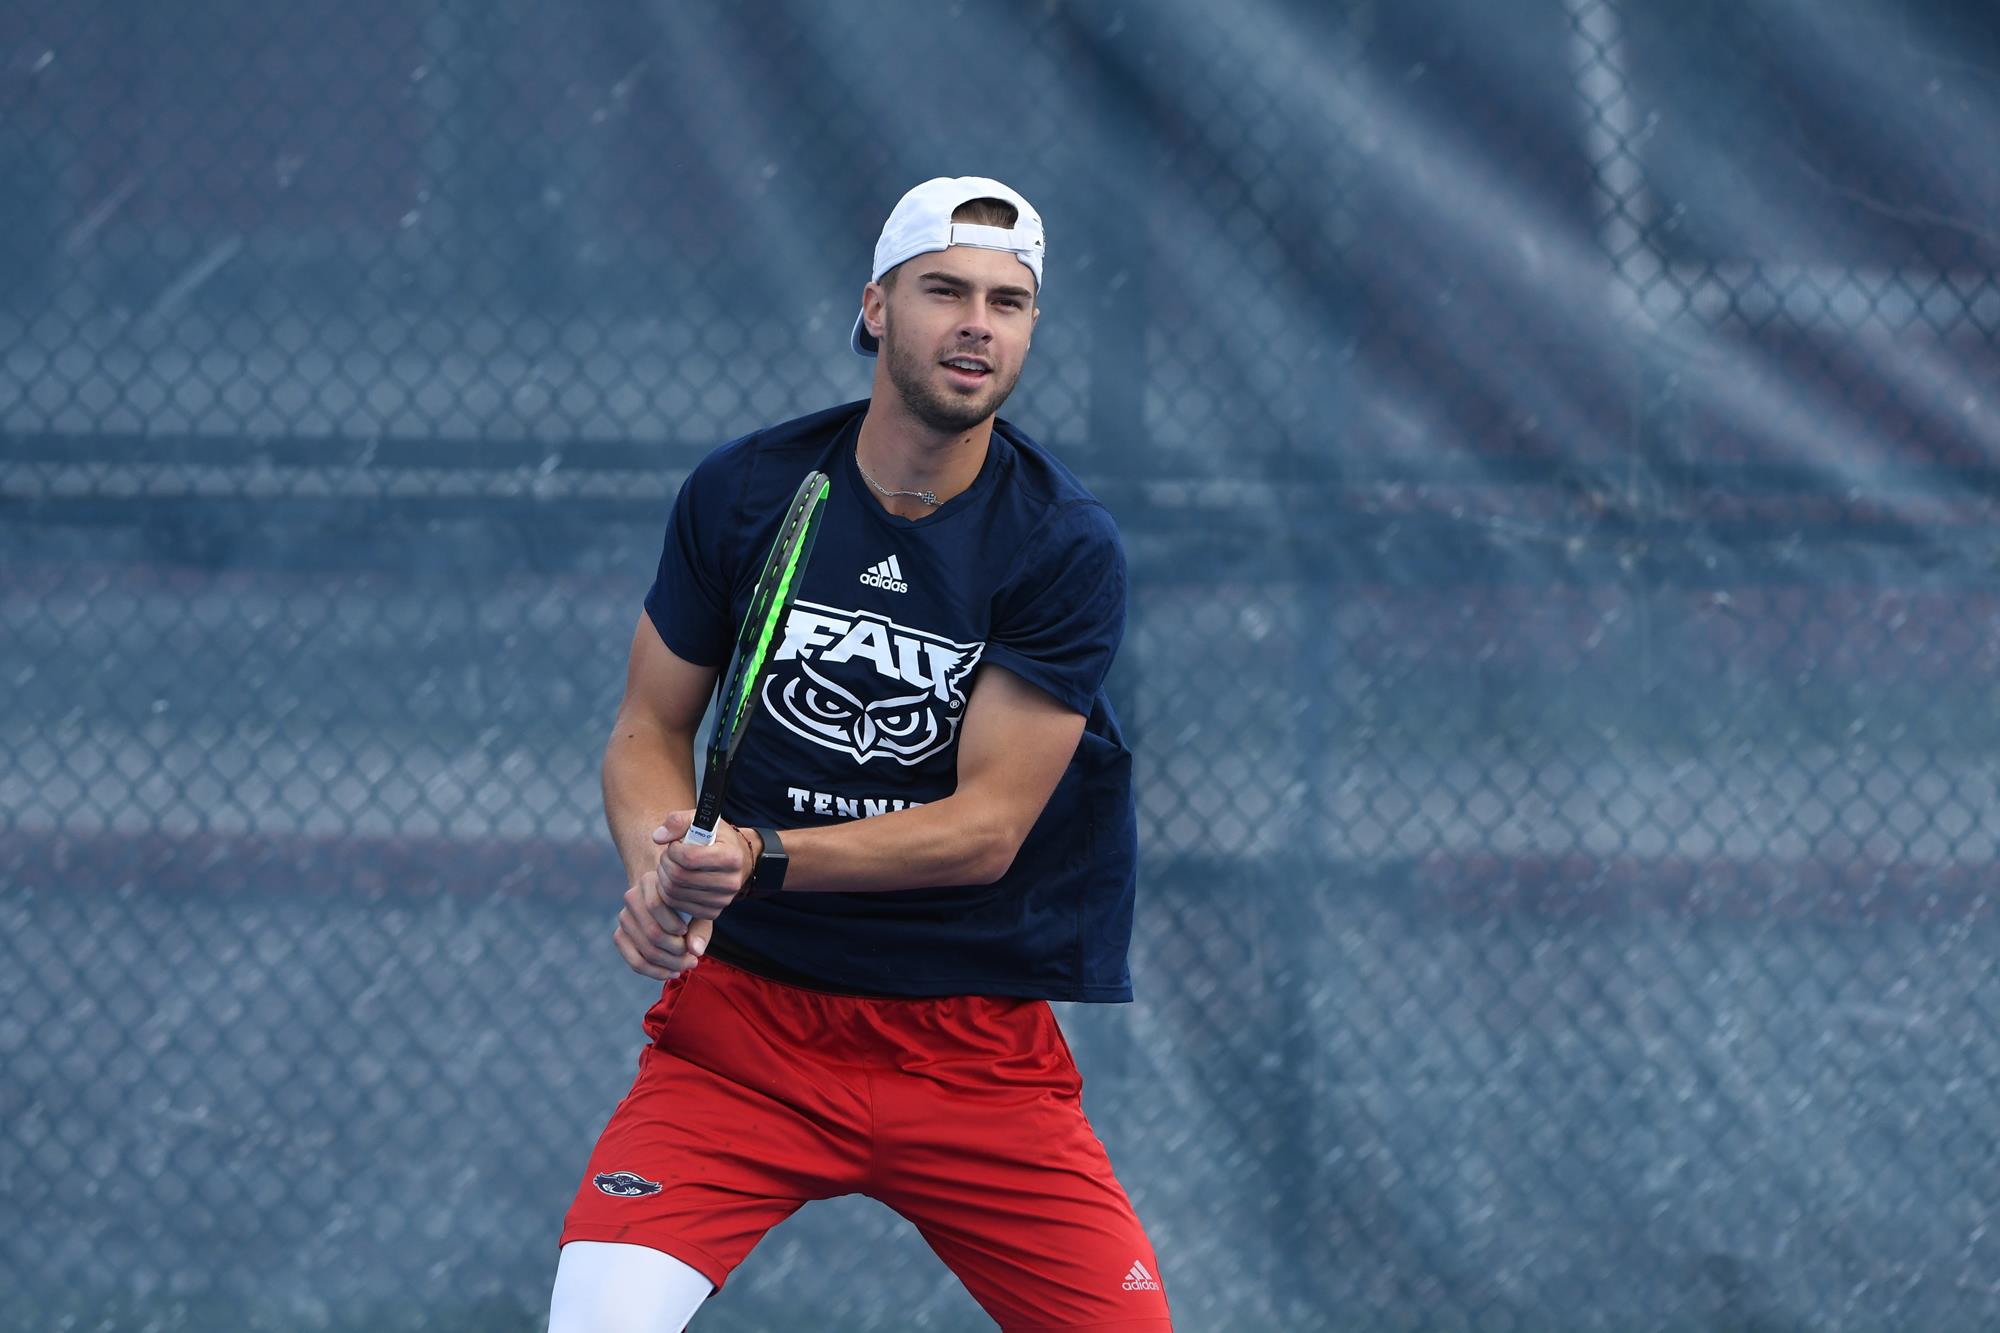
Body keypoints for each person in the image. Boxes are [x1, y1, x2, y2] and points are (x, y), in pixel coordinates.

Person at [548, 176, 1172, 1333]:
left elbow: (986, 830)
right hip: (743, 1037)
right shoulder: (744, 490)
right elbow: (646, 732)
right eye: (944, 291)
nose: (977, 323)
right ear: (877, 307)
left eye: (1009, 300)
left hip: (971, 1052)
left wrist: (753, 854)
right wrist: (661, 861)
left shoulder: (1061, 544)